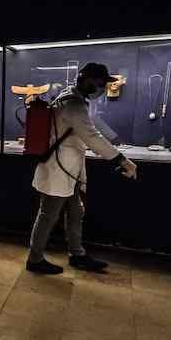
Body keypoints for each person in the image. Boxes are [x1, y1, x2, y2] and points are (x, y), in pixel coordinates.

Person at [27, 63, 137, 275]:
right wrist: (122, 160)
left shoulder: (71, 98)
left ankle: (77, 254)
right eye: (101, 82)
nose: (103, 87)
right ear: (87, 80)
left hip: (70, 168)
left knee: (76, 212)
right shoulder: (73, 105)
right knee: (48, 215)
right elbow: (92, 137)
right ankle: (35, 259)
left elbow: (88, 135)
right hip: (59, 168)